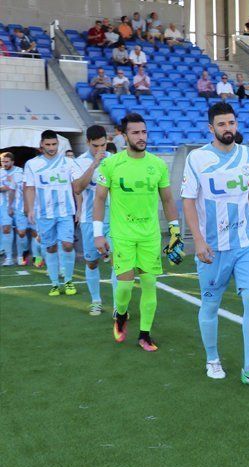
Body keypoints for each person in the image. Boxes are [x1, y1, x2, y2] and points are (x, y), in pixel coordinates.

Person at [180, 102, 249, 385]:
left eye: (231, 123)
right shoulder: (197, 159)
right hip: (212, 248)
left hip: (244, 243)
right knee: (210, 305)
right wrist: (197, 241)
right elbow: (187, 201)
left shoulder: (248, 155)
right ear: (211, 128)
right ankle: (212, 359)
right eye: (221, 124)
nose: (228, 128)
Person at [93, 113, 179, 351]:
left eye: (144, 132)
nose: (141, 137)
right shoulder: (111, 164)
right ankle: (120, 315)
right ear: (124, 135)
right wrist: (98, 233)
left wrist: (175, 231)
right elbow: (99, 198)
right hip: (122, 235)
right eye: (135, 132)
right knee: (126, 286)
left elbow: (168, 199)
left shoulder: (158, 164)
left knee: (150, 283)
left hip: (150, 235)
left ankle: (144, 334)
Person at [23, 130, 78, 296]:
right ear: (41, 145)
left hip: (66, 211)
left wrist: (80, 208)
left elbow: (77, 187)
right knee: (51, 247)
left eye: (54, 144)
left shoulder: (68, 162)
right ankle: (55, 283)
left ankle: (68, 280)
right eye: (48, 144)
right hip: (44, 213)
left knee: (68, 245)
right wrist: (31, 208)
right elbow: (30, 187)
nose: (51, 147)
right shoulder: (32, 164)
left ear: (58, 144)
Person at [71, 125, 114, 315]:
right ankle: (96, 300)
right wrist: (94, 164)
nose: (100, 150)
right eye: (96, 146)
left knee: (117, 260)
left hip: (113, 219)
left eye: (103, 145)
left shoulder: (114, 160)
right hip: (90, 220)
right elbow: (78, 188)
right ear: (88, 142)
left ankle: (118, 307)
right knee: (92, 263)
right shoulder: (77, 163)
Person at [3, 152, 40, 267]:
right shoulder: (19, 176)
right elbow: (13, 190)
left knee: (35, 234)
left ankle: (37, 259)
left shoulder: (40, 176)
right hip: (20, 209)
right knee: (22, 233)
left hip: (36, 208)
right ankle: (22, 256)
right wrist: (10, 206)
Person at [0, 153, 23, 266]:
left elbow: (12, 187)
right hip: (3, 205)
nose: (4, 164)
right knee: (6, 229)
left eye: (7, 161)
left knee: (21, 232)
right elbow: (7, 186)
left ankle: (20, 257)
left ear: (12, 162)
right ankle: (8, 258)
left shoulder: (19, 171)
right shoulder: (0, 172)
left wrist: (6, 186)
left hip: (19, 205)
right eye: (3, 161)